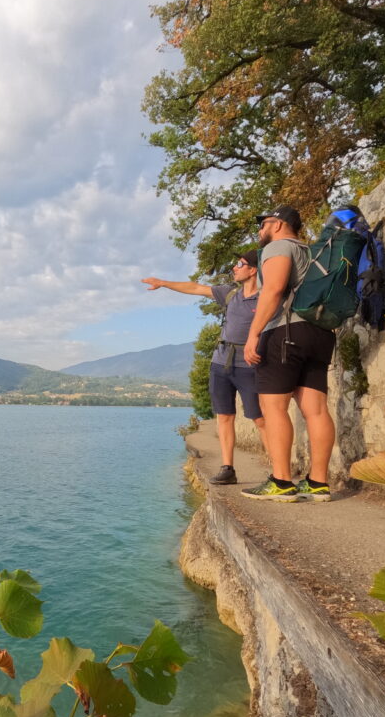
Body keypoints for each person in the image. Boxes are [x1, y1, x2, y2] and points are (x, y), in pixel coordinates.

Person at [142, 250, 268, 484]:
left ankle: (278, 472)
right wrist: (163, 283)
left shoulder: (266, 298)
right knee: (224, 417)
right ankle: (228, 468)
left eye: (240, 264)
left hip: (248, 365)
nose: (235, 268)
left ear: (253, 269)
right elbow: (195, 288)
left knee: (259, 418)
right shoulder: (230, 293)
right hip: (220, 363)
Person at [242, 205, 335, 502]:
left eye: (262, 223)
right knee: (317, 410)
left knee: (274, 407)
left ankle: (281, 482)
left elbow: (274, 290)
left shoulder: (278, 247)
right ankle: (318, 483)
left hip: (285, 333)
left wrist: (254, 332)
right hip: (319, 333)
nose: (259, 230)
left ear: (278, 224)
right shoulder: (312, 253)